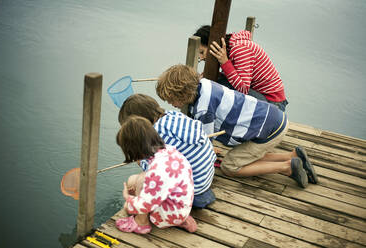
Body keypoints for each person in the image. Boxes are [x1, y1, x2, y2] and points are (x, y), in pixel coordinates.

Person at [156, 64, 318, 188]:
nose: (171, 103)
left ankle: (286, 168)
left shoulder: (203, 109)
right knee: (244, 155)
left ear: (183, 94)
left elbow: (204, 145)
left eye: (171, 99)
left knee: (229, 166)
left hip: (268, 131)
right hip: (275, 118)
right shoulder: (204, 84)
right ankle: (292, 156)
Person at [119, 93, 217, 208]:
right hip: (206, 180)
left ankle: (145, 218)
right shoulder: (174, 115)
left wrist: (140, 161)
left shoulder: (155, 136)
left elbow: (155, 172)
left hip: (192, 194)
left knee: (134, 182)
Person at [115, 116, 197, 234]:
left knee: (128, 205)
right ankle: (180, 218)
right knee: (133, 180)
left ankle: (141, 224)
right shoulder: (168, 151)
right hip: (181, 205)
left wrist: (128, 198)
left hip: (171, 213)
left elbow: (146, 204)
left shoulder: (158, 170)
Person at [194, 25, 288, 111]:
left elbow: (243, 89)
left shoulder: (240, 49)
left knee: (216, 85)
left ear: (212, 45)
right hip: (262, 96)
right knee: (216, 81)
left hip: (273, 103)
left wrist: (225, 63)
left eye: (202, 52)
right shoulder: (231, 48)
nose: (202, 58)